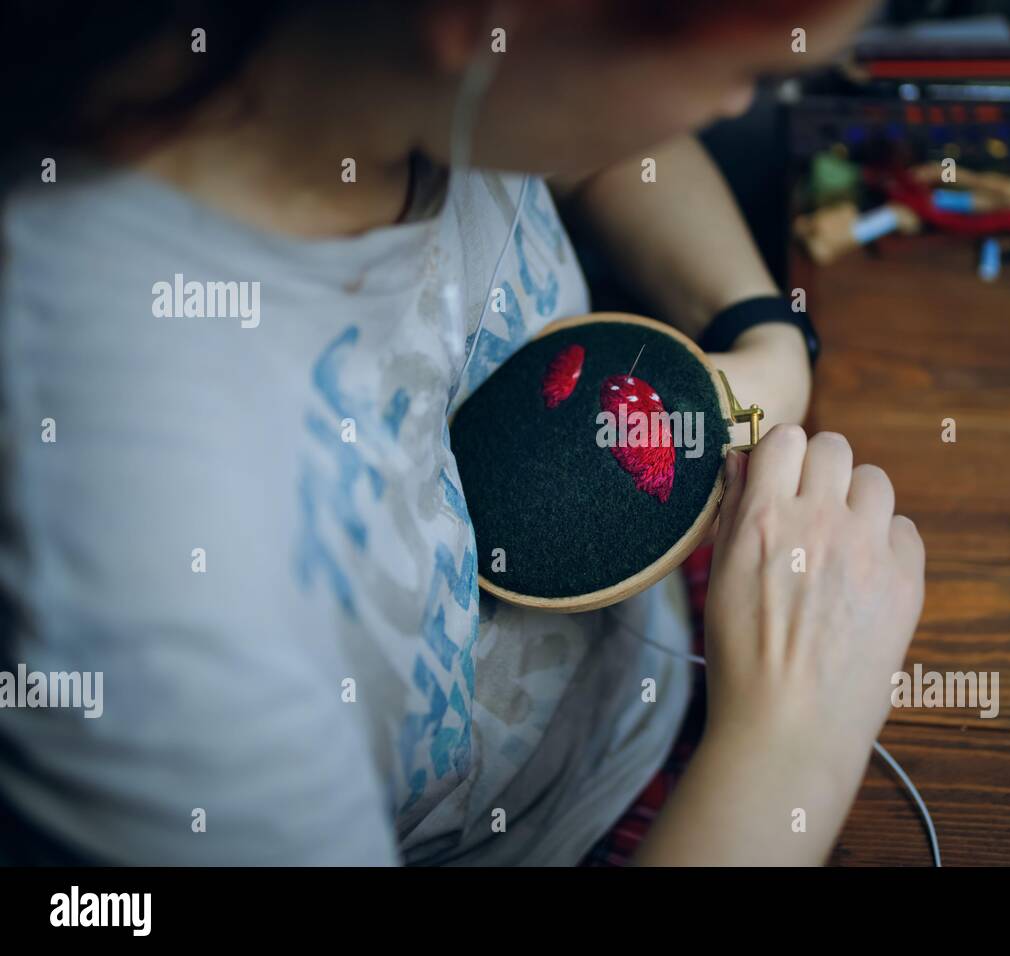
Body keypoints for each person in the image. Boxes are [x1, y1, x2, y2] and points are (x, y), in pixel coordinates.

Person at [0, 0, 923, 865]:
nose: (736, 104)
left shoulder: (358, 66)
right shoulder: (123, 561)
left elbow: (600, 149)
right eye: (738, 68)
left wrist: (760, 330)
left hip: (665, 666)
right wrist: (792, 743)